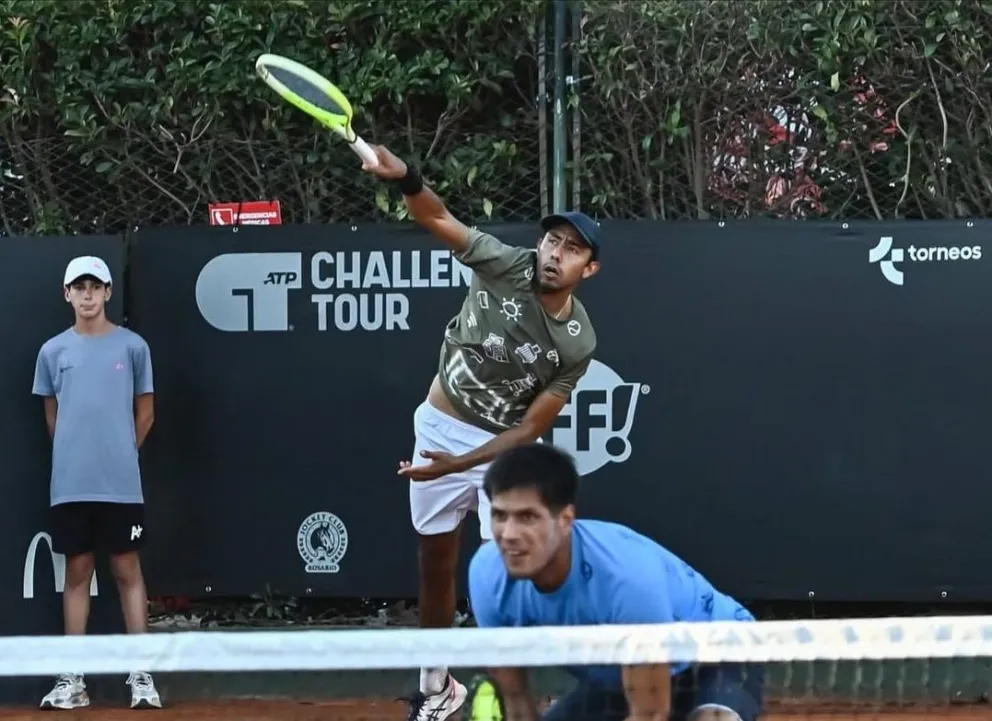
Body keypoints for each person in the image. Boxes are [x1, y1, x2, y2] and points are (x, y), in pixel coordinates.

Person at [362, 147, 602, 721]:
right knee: (436, 564)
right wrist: (408, 179)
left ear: (587, 269)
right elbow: (437, 217)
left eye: (571, 249)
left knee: (508, 573)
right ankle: (437, 687)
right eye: (552, 241)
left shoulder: (578, 343)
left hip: (504, 455)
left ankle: (514, 691)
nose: (554, 254)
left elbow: (529, 428)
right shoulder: (505, 262)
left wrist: (457, 464)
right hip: (440, 423)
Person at [467, 443, 765, 721]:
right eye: (499, 516)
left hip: (720, 654)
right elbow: (516, 700)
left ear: (565, 520)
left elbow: (649, 715)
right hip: (622, 678)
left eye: (527, 517)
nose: (508, 534)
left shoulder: (626, 581)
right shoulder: (487, 575)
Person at [31, 256, 162, 711]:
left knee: (128, 572)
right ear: (67, 294)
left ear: (108, 293)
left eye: (95, 287)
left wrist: (120, 452)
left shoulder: (133, 348)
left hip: (121, 486)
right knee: (77, 575)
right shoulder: (52, 352)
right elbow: (54, 417)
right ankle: (73, 680)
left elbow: (145, 414)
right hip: (70, 485)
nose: (87, 295)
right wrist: (77, 454)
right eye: (78, 287)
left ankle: (142, 675)